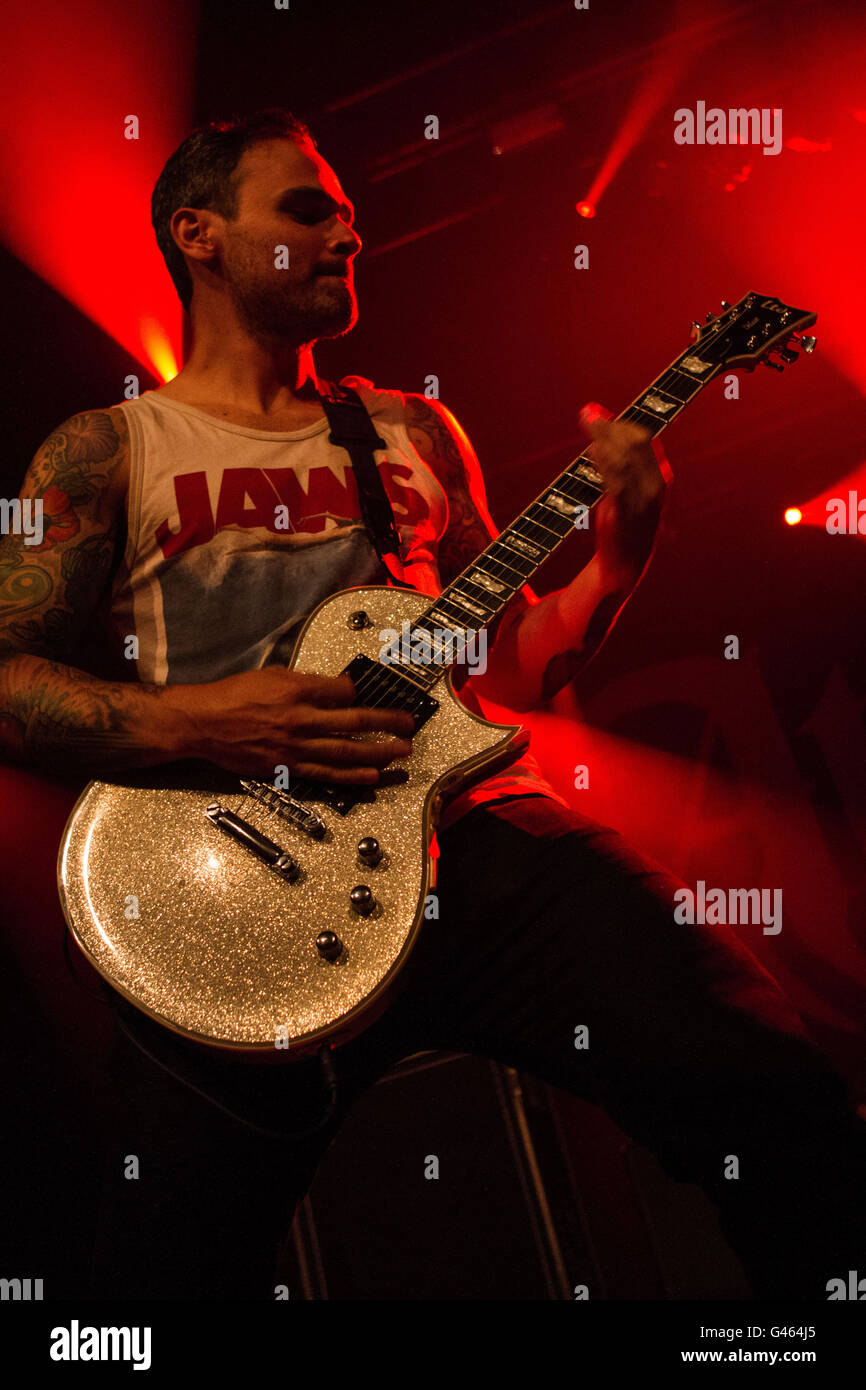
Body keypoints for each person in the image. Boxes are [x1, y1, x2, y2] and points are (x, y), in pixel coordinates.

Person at [0, 108, 863, 1301]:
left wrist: (616, 564)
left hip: (475, 838)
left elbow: (500, 673)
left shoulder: (406, 428)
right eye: (308, 209)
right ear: (195, 233)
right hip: (224, 884)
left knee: (770, 1088)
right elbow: (7, 681)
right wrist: (205, 723)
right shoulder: (102, 451)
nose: (348, 232)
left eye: (349, 211)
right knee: (158, 1287)